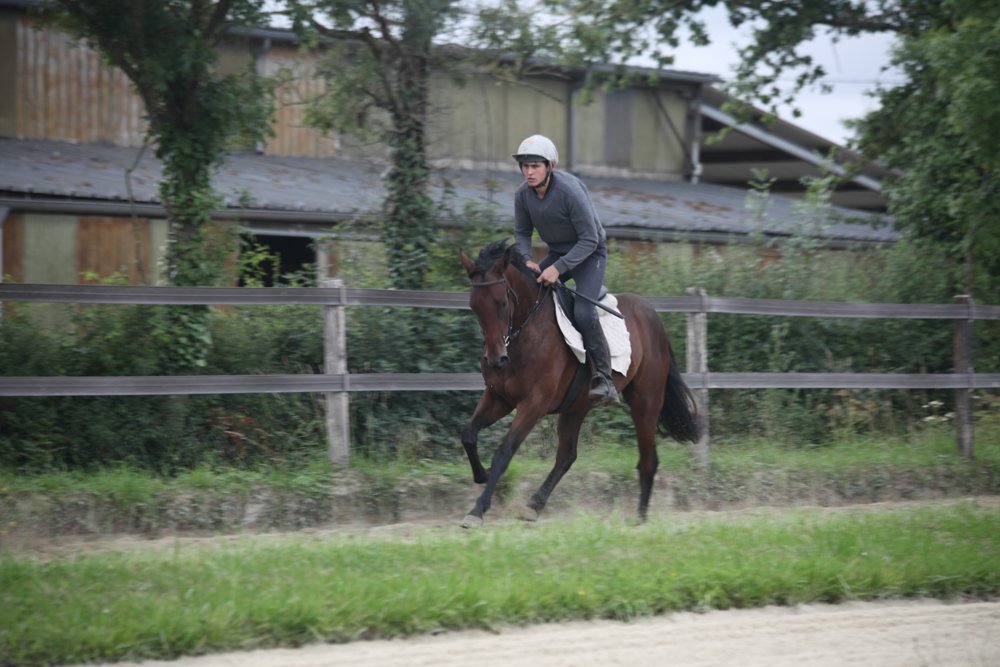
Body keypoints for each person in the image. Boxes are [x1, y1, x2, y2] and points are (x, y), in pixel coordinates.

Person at [511, 134, 619, 407]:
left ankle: (604, 380)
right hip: (559, 253)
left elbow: (590, 239)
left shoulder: (569, 191)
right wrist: (526, 260)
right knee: (528, 294)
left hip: (590, 254)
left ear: (550, 166)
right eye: (525, 166)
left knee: (583, 312)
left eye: (535, 166)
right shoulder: (522, 195)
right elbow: (522, 233)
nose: (529, 172)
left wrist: (557, 269)